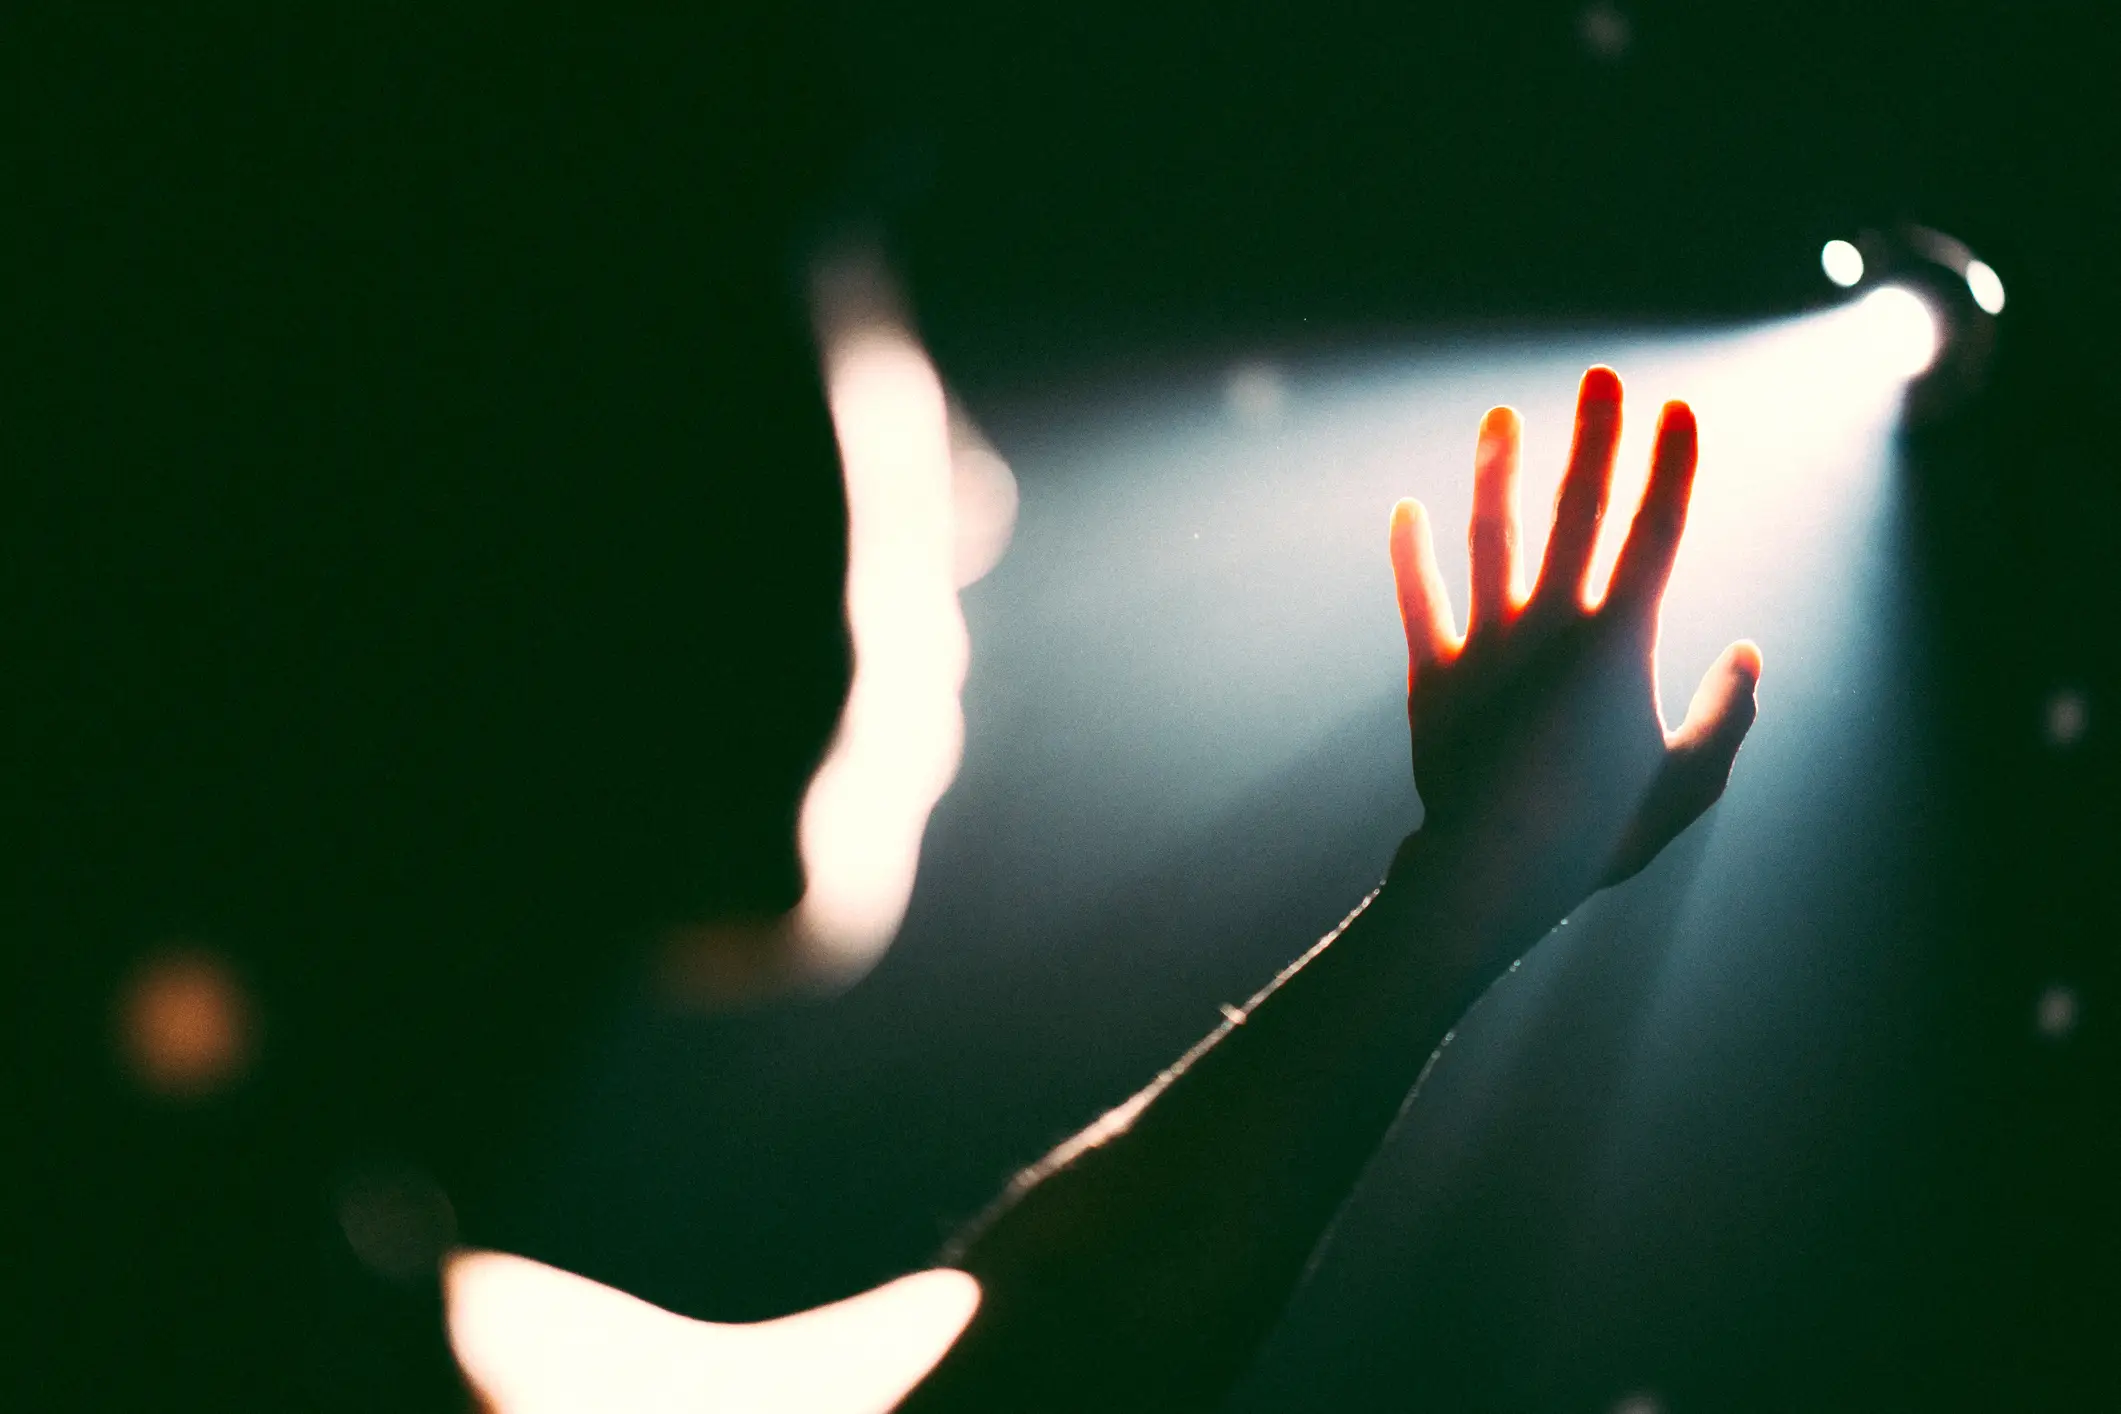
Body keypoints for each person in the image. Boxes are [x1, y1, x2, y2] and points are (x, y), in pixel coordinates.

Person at [443, 367, 1763, 1414]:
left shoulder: (380, 1316)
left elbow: (1025, 1350)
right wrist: (1464, 892)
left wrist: (1467, 883)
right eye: (833, 300)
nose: (975, 496)